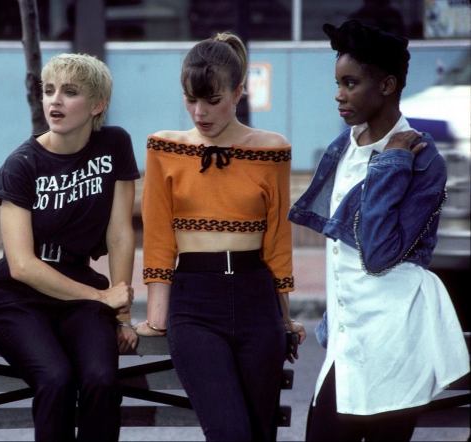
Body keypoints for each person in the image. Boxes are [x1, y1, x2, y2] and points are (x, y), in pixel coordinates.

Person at [289, 20, 470, 442]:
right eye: (337, 82)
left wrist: (391, 163)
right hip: (347, 343)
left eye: (350, 83)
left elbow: (377, 252)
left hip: (393, 343)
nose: (338, 94)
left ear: (387, 85)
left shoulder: (423, 159)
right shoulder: (344, 148)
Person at [135, 32, 306, 441]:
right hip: (194, 301)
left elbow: (278, 239)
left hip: (256, 296)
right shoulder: (165, 148)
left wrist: (283, 315)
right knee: (229, 431)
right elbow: (158, 234)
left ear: (239, 92)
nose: (200, 112)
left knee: (260, 432)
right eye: (191, 100)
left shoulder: (271, 150)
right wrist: (157, 314)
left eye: (213, 101)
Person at [0, 53, 140, 442]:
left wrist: (119, 314)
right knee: (55, 378)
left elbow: (120, 233)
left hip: (79, 285)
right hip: (17, 298)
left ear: (97, 104)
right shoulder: (21, 164)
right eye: (49, 91)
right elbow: (21, 265)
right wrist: (101, 297)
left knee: (102, 380)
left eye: (70, 93)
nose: (54, 101)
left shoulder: (114, 145)